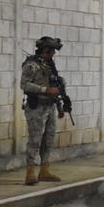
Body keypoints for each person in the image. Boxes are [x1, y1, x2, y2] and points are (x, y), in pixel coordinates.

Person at [20, 36, 66, 185]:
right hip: (36, 107)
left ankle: (44, 170)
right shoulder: (31, 65)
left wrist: (59, 106)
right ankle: (30, 172)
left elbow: (55, 86)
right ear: (46, 49)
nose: (54, 53)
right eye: (52, 50)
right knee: (35, 140)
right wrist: (45, 90)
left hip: (50, 106)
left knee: (48, 139)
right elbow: (24, 85)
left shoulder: (49, 65)